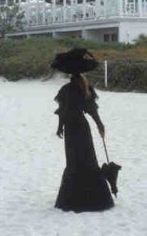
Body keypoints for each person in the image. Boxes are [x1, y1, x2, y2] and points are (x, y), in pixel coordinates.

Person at [54, 72, 113, 212]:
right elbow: (92, 110)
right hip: (81, 126)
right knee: (88, 159)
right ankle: (95, 197)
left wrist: (60, 126)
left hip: (70, 127)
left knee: (73, 161)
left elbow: (63, 111)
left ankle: (73, 198)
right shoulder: (84, 88)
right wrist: (100, 125)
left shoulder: (65, 90)